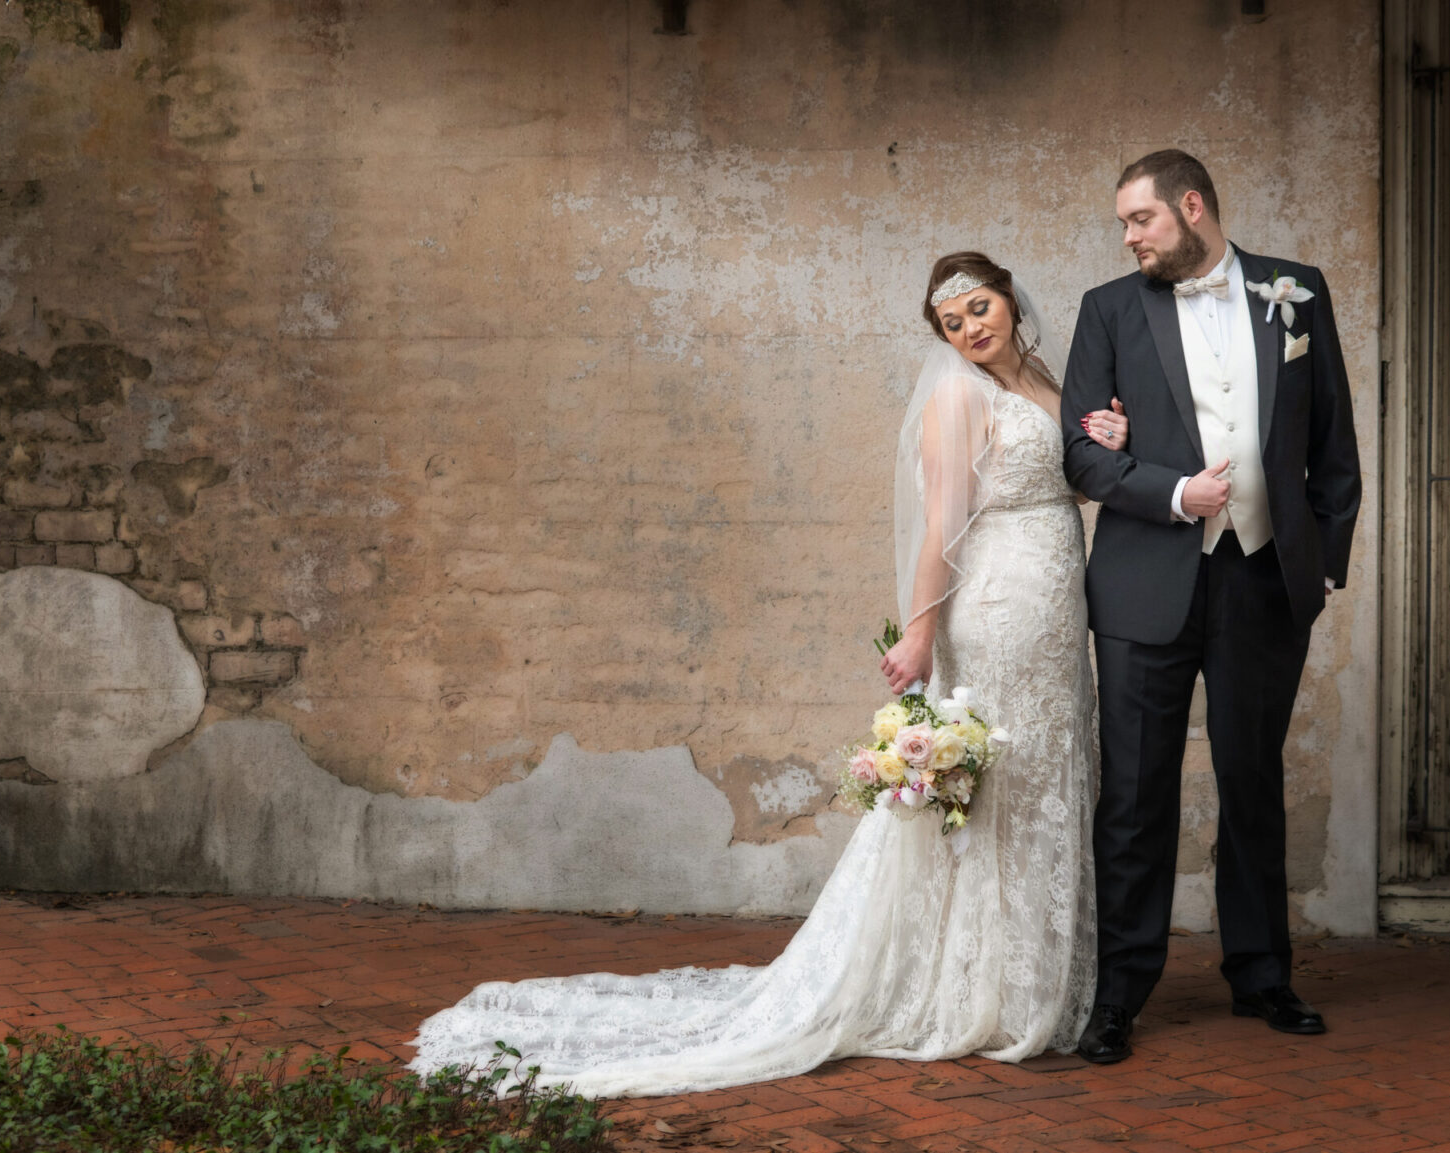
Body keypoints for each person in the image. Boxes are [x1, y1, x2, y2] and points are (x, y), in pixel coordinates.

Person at [407, 253, 1129, 1098]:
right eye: (953, 322)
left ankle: (1036, 978)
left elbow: (1056, 477)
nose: (973, 328)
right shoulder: (956, 396)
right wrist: (925, 630)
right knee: (997, 787)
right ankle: (978, 991)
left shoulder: (1043, 374)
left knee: (1049, 773)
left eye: (980, 307)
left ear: (1009, 297)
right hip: (999, 606)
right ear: (940, 338)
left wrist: (1104, 439)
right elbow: (944, 522)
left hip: (1055, 610)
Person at [1061, 150, 1362, 1065]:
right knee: (1136, 793)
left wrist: (1323, 565)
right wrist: (1171, 492)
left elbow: (1334, 439)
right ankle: (1119, 993)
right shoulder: (1107, 309)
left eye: (1139, 219)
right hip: (1146, 581)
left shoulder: (1296, 292)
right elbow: (1081, 456)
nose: (1128, 237)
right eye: (1124, 225)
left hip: (1264, 578)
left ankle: (1262, 972)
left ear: (1191, 207)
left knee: (1252, 781)